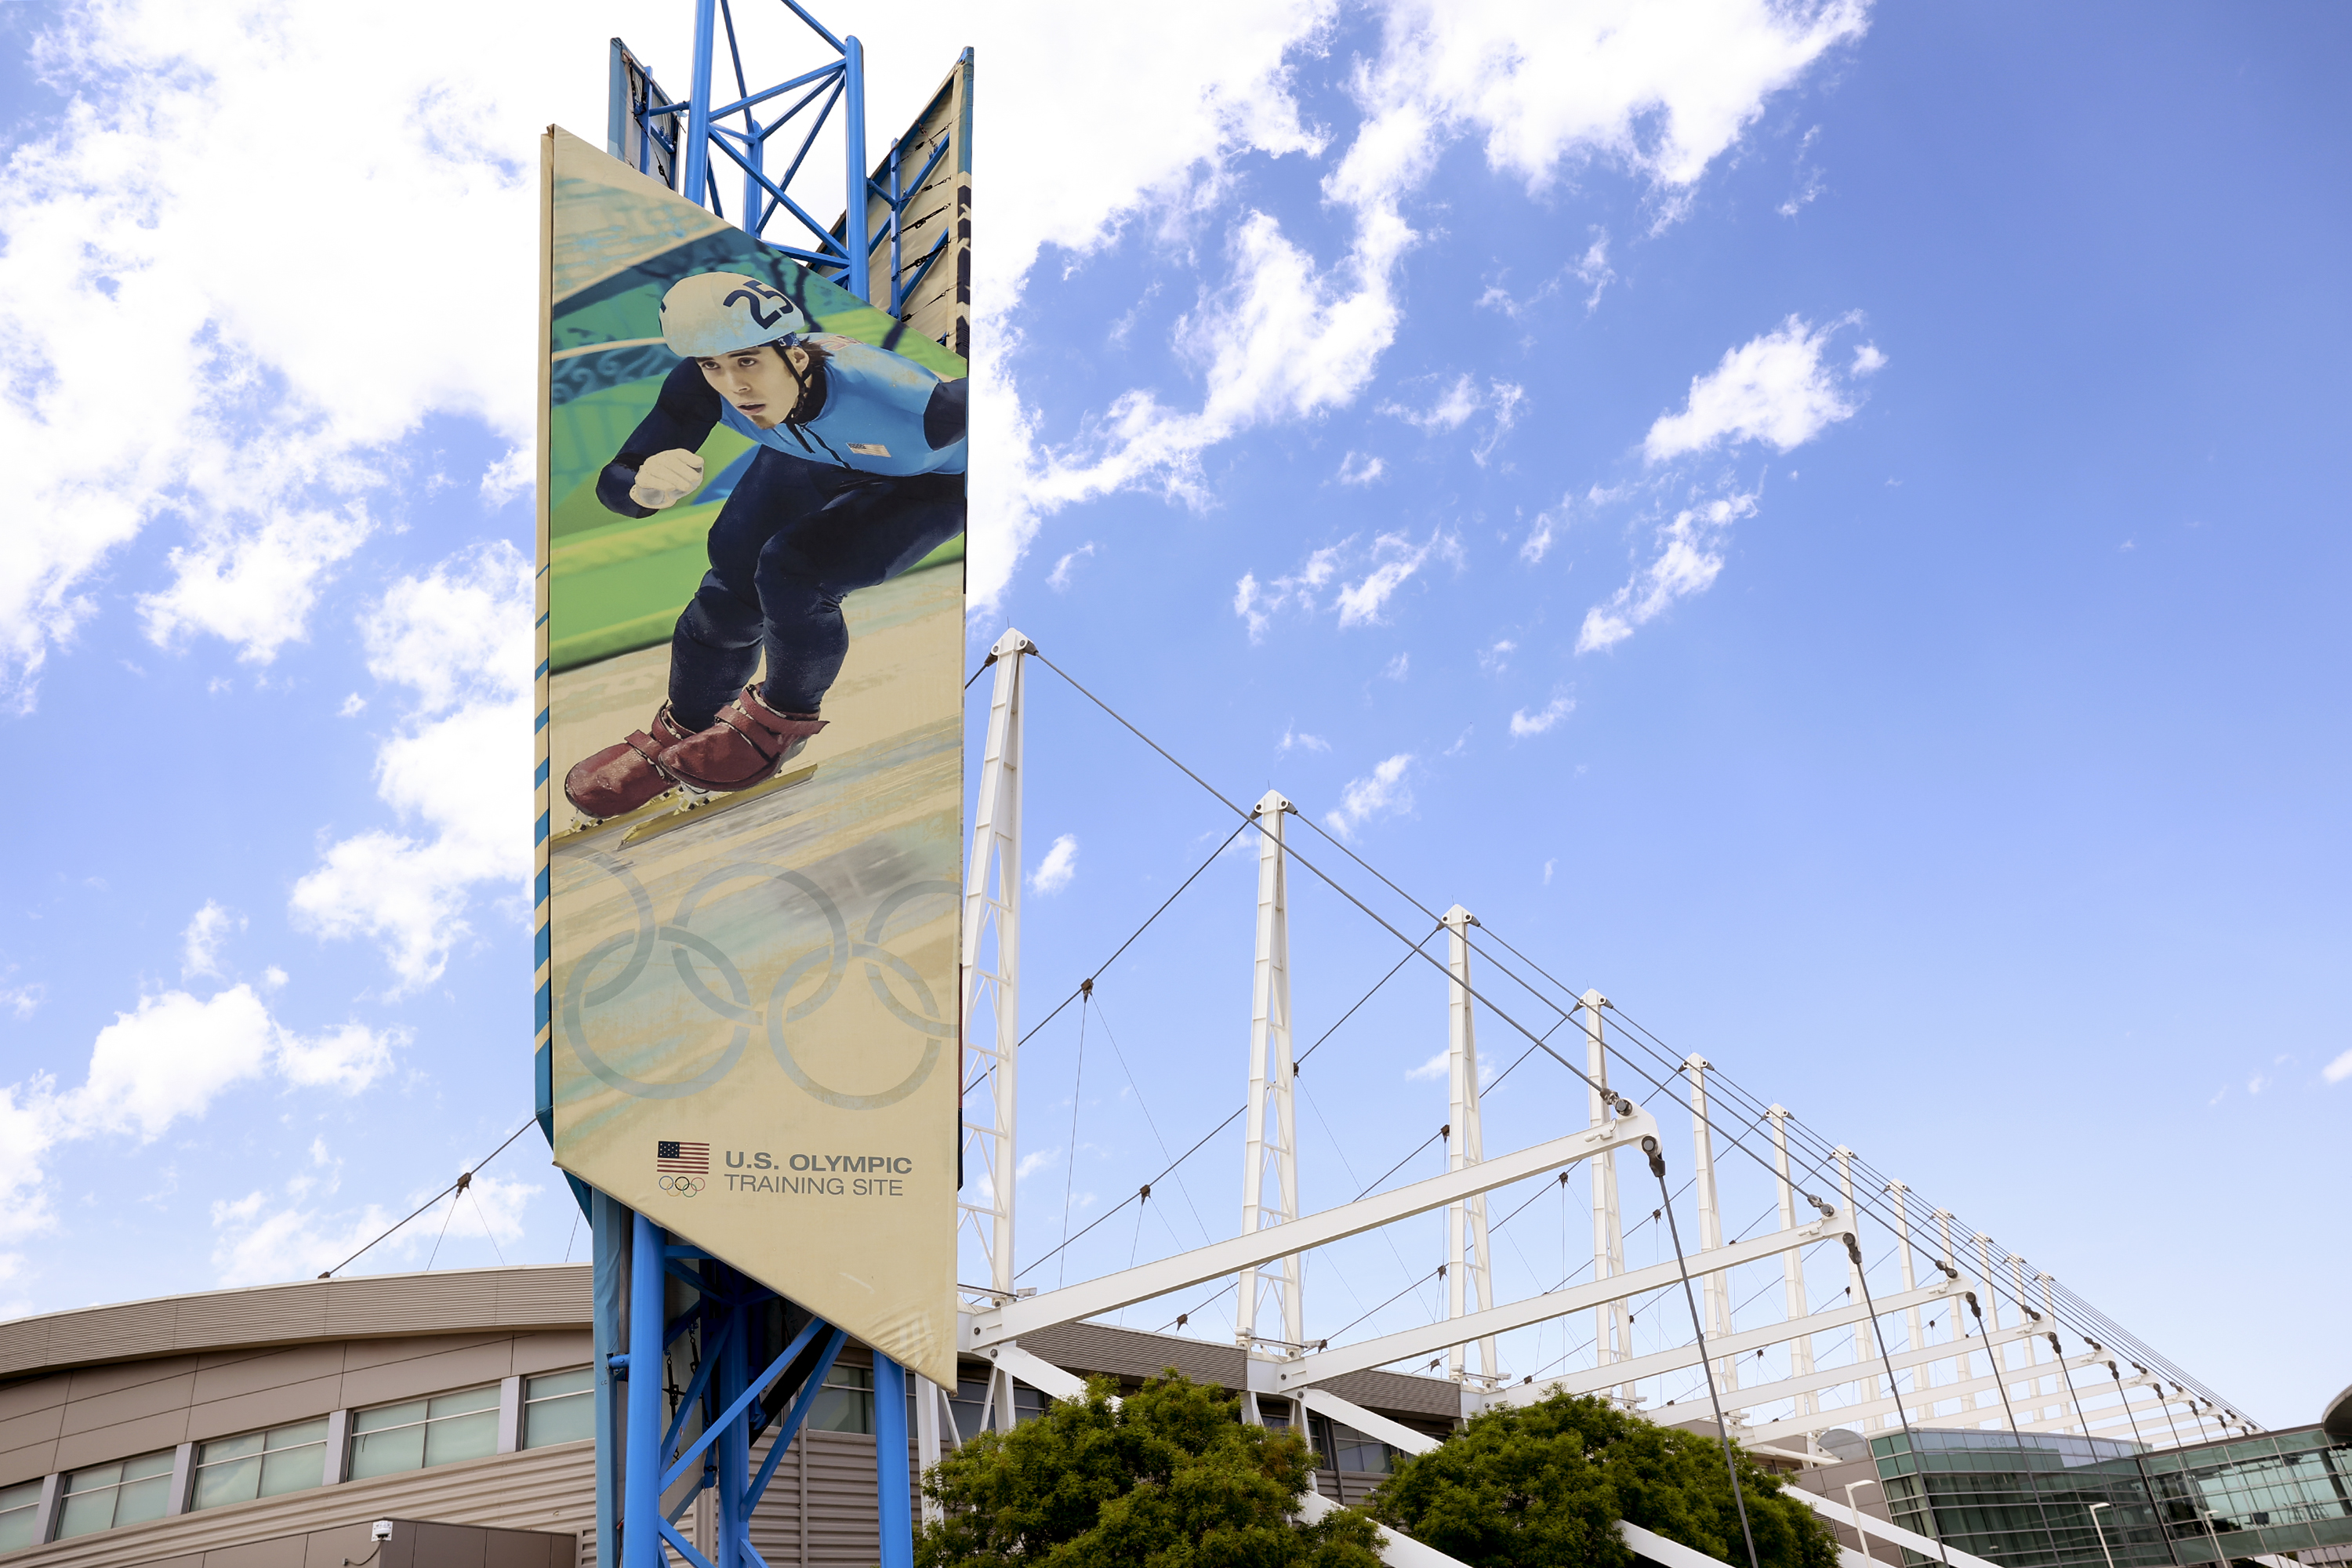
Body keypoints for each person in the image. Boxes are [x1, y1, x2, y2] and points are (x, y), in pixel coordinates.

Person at [563, 271, 967, 819]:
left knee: (794, 572)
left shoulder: (917, 406)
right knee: (730, 577)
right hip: (809, 455)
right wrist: (640, 486)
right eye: (714, 366)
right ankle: (686, 726)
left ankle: (780, 724)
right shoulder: (699, 386)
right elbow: (619, 476)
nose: (734, 386)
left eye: (748, 361)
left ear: (796, 358)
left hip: (930, 480)